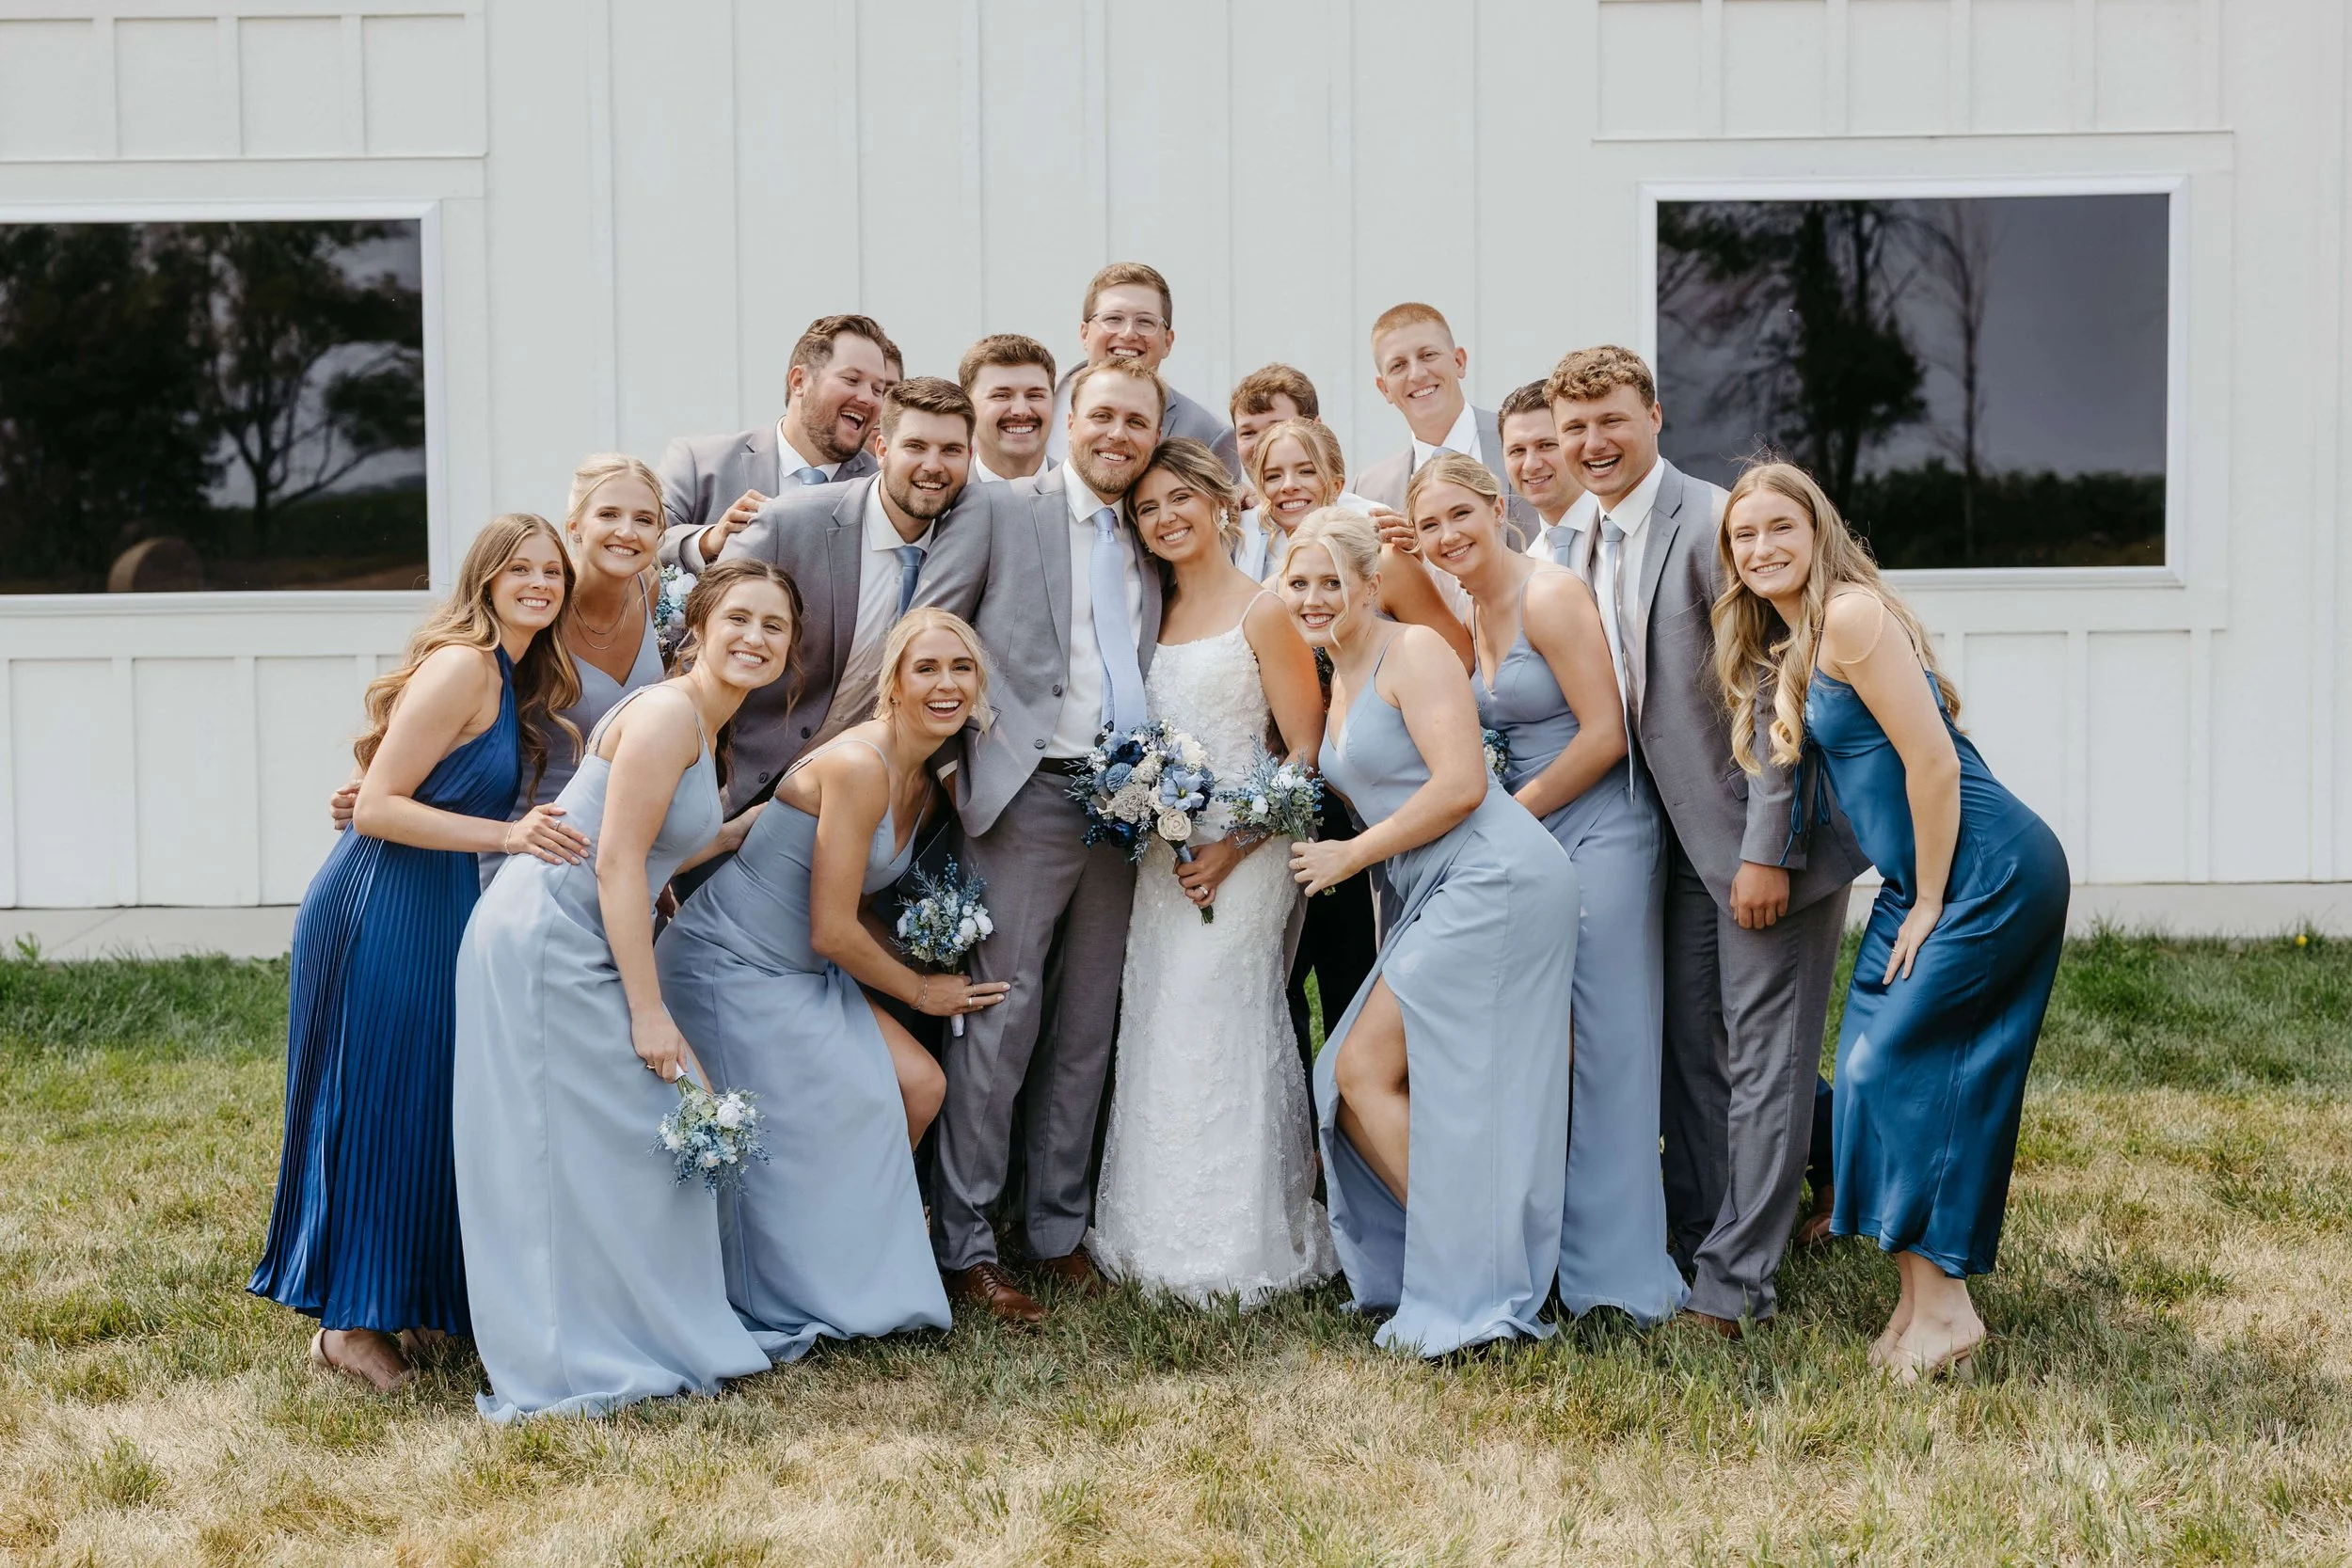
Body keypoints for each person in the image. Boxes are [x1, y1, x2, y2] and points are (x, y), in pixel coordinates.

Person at [1716, 461, 2067, 1380]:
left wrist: (1935, 899)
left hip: (1985, 870)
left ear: (1816, 528)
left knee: (1895, 1066)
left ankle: (1945, 1309)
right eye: (1743, 536)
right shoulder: (1794, 640)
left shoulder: (1850, 618)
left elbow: (1933, 764)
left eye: (1778, 527)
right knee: (1876, 1081)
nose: (1761, 548)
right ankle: (1922, 1301)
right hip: (1924, 880)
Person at [1546, 346, 1867, 1337]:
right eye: (1574, 428)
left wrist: (1767, 846)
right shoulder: (1577, 540)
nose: (1592, 443)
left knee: (1765, 1058)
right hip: (1667, 839)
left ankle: (1736, 1288)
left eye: (1611, 419)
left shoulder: (1715, 522)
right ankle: (1697, 1241)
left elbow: (1780, 685)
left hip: (1759, 838)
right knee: (1693, 1052)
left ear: (1654, 413)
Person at [453, 560, 805, 1420]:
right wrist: (650, 1011)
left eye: (775, 626)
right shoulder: (667, 715)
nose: (756, 639)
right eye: (740, 620)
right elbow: (615, 862)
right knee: (580, 1136)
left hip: (586, 929)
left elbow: (643, 846)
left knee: (640, 1134)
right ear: (697, 629)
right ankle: (568, 1347)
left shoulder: (704, 721)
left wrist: (735, 830)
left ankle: (646, 1322)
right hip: (547, 943)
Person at [251, 514, 589, 1393]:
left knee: (424, 1103)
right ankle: (347, 1328)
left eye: (552, 571)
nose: (540, 583)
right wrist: (511, 834)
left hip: (435, 900)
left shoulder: (512, 672)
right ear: (485, 578)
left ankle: (403, 1299)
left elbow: (389, 782)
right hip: (377, 903)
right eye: (520, 568)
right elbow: (375, 810)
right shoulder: (464, 664)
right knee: (374, 1102)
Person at [658, 609, 1003, 1355]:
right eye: (927, 668)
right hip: (729, 966)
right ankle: (805, 1277)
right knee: (850, 1098)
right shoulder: (858, 765)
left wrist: (925, 958)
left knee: (921, 1086)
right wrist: (920, 992)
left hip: (802, 972)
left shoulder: (930, 784)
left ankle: (854, 1254)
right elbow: (832, 928)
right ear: (894, 686)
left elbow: (843, 920)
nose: (946, 684)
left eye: (962, 669)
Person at [1279, 508, 1579, 1357]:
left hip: (1497, 877)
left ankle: (1480, 1281)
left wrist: (1348, 856)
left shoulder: (1412, 650)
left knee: (1361, 1068)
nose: (1311, 597)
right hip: (1432, 886)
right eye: (1297, 581)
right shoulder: (1335, 671)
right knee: (1353, 1070)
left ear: (1371, 585)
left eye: (1330, 580)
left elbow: (1460, 784)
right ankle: (1458, 1265)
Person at [912, 357, 1167, 1325]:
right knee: (999, 1018)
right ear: (1069, 418)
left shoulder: (1149, 526)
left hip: (1126, 806)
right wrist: (947, 770)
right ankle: (965, 1241)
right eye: (1100, 413)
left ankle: (1056, 1230)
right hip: (1023, 796)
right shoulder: (1001, 507)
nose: (1116, 432)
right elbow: (927, 626)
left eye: (1134, 419)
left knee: (1085, 1023)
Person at [1413, 453, 1688, 1325]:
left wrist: (1507, 818)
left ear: (1500, 507)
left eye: (1462, 514)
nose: (1448, 535)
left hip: (1600, 833)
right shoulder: (1467, 604)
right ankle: (1557, 1258)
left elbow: (1606, 733)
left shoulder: (1550, 592)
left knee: (1609, 1046)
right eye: (1429, 526)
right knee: (1545, 1046)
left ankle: (1618, 1275)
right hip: (1528, 839)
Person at [1084, 438, 1336, 1306]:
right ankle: (1147, 1229)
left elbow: (1306, 752)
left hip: (1243, 857)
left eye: (1178, 499)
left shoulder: (1266, 611)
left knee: (1219, 1018)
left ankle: (1235, 1241)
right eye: (1147, 509)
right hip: (1164, 857)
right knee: (1157, 1021)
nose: (1164, 519)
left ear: (1219, 500)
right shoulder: (1148, 613)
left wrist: (1234, 848)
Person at [324, 454, 674, 877]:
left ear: (661, 532)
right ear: (575, 526)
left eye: (643, 519)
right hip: (532, 845)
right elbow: (439, 680)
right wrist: (363, 778)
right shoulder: (541, 603)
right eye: (608, 514)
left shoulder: (649, 589)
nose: (626, 531)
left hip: (621, 848)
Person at [703, 376, 976, 816]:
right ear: (881, 449)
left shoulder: (966, 543)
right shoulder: (787, 523)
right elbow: (699, 648)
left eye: (951, 450)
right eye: (916, 447)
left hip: (877, 797)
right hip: (750, 783)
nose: (933, 465)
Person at [1240, 416, 1383, 1068]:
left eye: (1305, 471)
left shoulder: (1380, 557)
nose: (1289, 485)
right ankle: (1305, 1148)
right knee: (1284, 984)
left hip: (1358, 807)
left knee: (1352, 975)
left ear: (1337, 480)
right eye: (1273, 475)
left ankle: (1357, 1136)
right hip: (1291, 802)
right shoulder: (1265, 577)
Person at [658, 313, 902, 574]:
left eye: (878, 390)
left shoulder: (882, 487)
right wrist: (708, 540)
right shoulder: (699, 462)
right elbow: (646, 540)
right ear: (799, 381)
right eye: (851, 380)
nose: (868, 398)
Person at [1351, 302, 1539, 538]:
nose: (1417, 374)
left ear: (1459, 362)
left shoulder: (1526, 444)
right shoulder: (1370, 489)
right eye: (1398, 366)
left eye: (1428, 355)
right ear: (1384, 388)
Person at [1044, 261, 1236, 472]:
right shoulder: (1034, 399)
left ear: (1168, 342)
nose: (1128, 333)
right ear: (1084, 333)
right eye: (1113, 318)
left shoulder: (1208, 437)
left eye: (1145, 322)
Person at [1227, 363, 1318, 578]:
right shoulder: (1231, 530)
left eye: (1275, 428)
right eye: (1248, 433)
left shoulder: (1370, 522)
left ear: (1317, 429)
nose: (1262, 443)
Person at [1496, 380, 1582, 558]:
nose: (1531, 465)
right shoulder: (1532, 560)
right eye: (1517, 451)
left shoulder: (1618, 534)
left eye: (1546, 445)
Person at [961, 333, 1057, 483]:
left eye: (1034, 395)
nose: (1021, 411)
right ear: (968, 407)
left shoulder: (1090, 496)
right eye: (1001, 395)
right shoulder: (944, 502)